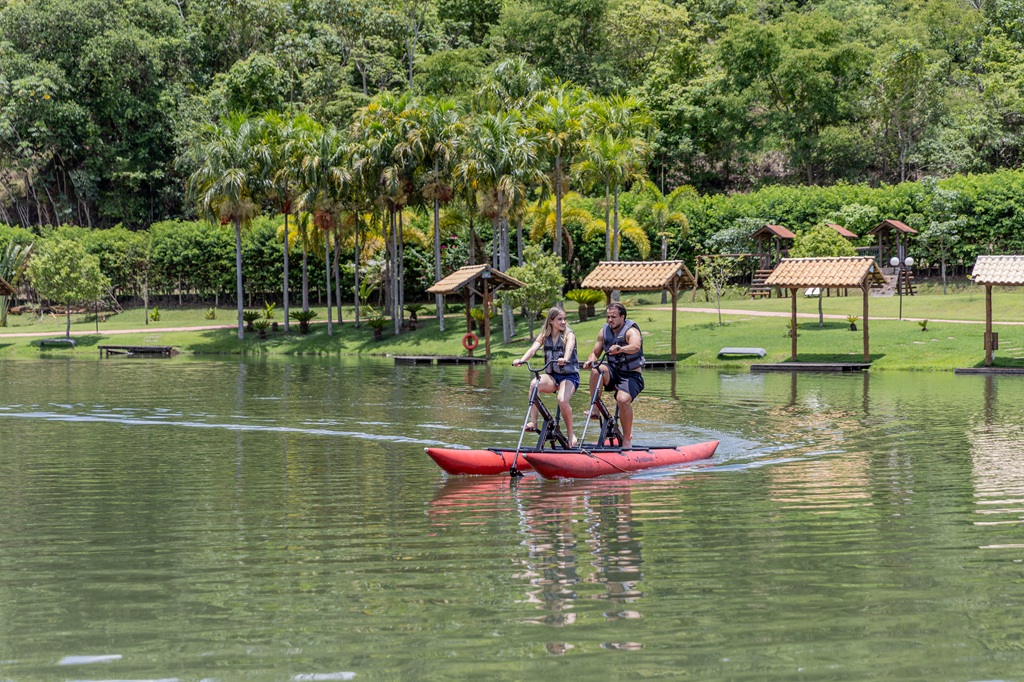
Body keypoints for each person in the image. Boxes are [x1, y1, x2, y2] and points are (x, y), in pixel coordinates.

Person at [512, 306, 580, 448]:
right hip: (553, 376)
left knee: (562, 400)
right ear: (551, 321)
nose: (563, 322)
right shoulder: (544, 335)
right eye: (559, 319)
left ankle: (571, 434)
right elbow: (532, 349)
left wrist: (565, 358)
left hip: (569, 376)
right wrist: (522, 360)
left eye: (564, 319)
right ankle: (534, 422)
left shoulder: (569, 334)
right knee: (534, 384)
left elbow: (569, 348)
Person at [582, 302, 645, 448]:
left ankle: (627, 440)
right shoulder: (604, 332)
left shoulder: (631, 331)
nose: (610, 320)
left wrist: (621, 348)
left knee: (622, 400)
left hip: (631, 376)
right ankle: (596, 408)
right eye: (608, 317)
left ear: (622, 317)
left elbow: (636, 346)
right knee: (596, 370)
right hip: (612, 372)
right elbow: (594, 353)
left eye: (614, 317)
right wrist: (591, 361)